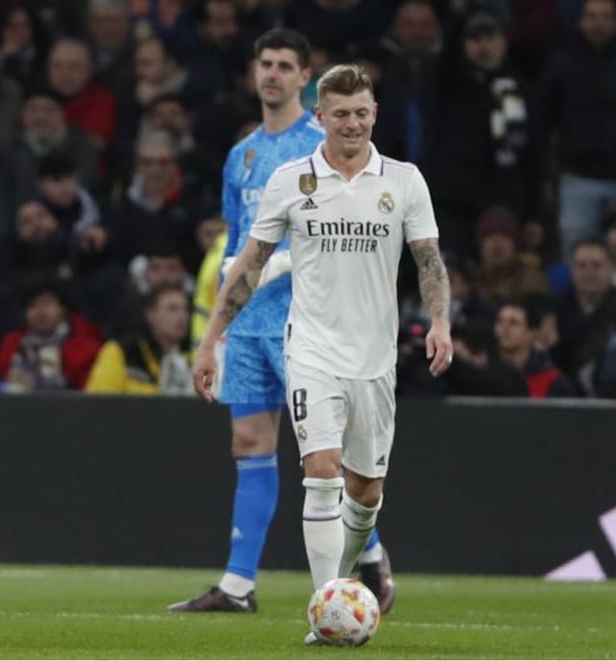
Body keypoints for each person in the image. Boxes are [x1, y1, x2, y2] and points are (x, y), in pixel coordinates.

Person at [192, 64, 452, 646]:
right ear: (320, 116)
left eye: (361, 113)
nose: (352, 123)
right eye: (340, 114)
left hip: (375, 357)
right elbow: (250, 264)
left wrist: (439, 321)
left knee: (366, 493)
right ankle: (326, 612)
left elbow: (429, 261)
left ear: (374, 113)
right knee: (322, 471)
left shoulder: (404, 181)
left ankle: (349, 574)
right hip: (311, 348)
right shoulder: (291, 181)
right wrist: (212, 340)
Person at [169, 29, 393, 615]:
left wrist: (287, 263)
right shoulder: (241, 155)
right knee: (249, 441)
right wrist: (216, 325)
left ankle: (368, 552)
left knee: (325, 458)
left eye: (284, 65)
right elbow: (236, 243)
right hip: (247, 325)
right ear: (254, 72)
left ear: (304, 77)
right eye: (264, 63)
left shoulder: (322, 145)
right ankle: (237, 585)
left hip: (307, 321)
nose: (272, 73)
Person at [85, 283, 194, 395]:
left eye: (186, 309)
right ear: (150, 314)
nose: (182, 316)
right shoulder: (122, 352)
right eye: (172, 309)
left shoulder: (195, 357)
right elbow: (100, 400)